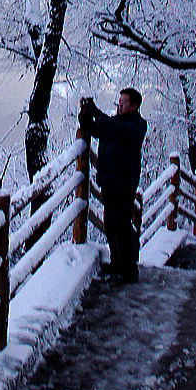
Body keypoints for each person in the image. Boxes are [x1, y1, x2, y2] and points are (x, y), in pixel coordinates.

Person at [78, 88, 147, 283]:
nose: (120, 105)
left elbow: (118, 131)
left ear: (134, 105)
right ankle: (117, 262)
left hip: (123, 184)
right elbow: (96, 129)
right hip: (109, 182)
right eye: (119, 101)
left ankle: (129, 269)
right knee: (110, 224)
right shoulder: (115, 122)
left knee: (123, 225)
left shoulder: (137, 125)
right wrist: (85, 114)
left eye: (124, 102)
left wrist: (97, 113)